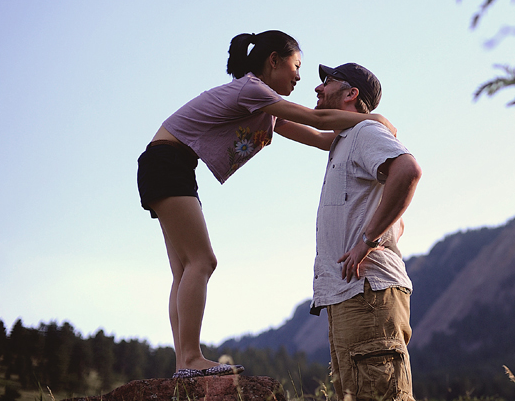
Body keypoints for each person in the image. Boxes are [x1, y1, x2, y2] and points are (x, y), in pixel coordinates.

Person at [137, 31, 395, 379]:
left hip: (168, 165)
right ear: (274, 60)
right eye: (296, 65)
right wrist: (376, 120)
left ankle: (184, 361)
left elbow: (321, 139)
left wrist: (360, 127)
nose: (300, 77)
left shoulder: (265, 108)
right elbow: (318, 120)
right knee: (202, 261)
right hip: (167, 164)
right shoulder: (252, 89)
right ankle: (190, 358)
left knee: (185, 270)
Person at [309, 63, 423, 401]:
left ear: (351, 93)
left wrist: (368, 239)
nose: (318, 88)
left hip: (369, 292)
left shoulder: (364, 133)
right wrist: (259, 106)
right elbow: (306, 127)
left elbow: (408, 170)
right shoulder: (343, 140)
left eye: (328, 81)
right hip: (351, 295)